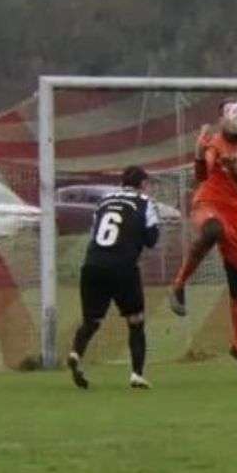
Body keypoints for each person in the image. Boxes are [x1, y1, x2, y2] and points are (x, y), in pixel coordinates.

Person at [169, 100, 237, 378]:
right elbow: (202, 175)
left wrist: (234, 167)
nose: (228, 119)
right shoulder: (213, 142)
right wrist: (200, 154)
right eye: (225, 113)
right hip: (208, 203)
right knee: (211, 230)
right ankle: (178, 285)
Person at [66, 166, 160, 389]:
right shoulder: (145, 203)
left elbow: (94, 234)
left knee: (92, 320)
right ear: (143, 184)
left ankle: (75, 354)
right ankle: (137, 374)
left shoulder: (104, 201)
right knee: (135, 321)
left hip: (92, 266)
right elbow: (151, 240)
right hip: (123, 268)